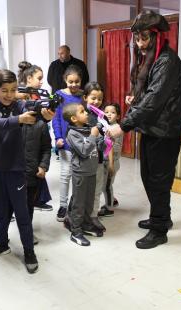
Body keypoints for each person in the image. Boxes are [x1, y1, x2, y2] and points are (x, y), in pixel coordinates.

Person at [119, 10, 181, 249]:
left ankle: (159, 230)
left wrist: (124, 124)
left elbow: (156, 99)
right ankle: (162, 218)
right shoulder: (153, 59)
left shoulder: (167, 60)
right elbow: (148, 94)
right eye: (137, 38)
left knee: (159, 180)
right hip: (151, 128)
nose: (140, 43)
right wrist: (134, 98)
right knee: (149, 176)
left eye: (144, 38)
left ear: (156, 36)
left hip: (165, 132)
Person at [0, 69, 53, 274]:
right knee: (1, 212)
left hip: (16, 170)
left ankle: (29, 251)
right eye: (4, 90)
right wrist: (20, 119)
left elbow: (38, 111)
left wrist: (47, 115)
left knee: (22, 214)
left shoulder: (20, 105)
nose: (9, 95)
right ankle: (2, 243)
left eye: (13, 90)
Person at [18, 63, 52, 243]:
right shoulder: (17, 99)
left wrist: (43, 165)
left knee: (30, 200)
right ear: (28, 78)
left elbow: (46, 145)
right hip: (16, 162)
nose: (41, 82)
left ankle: (28, 232)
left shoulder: (41, 99)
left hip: (34, 155)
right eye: (39, 78)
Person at [63, 103, 105, 246]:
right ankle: (76, 231)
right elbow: (84, 150)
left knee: (88, 202)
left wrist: (102, 139)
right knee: (79, 204)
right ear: (74, 118)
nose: (86, 113)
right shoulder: (73, 133)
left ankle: (86, 225)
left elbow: (97, 147)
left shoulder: (88, 129)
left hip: (92, 171)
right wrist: (93, 137)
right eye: (82, 111)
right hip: (80, 173)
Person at [52, 65, 83, 222]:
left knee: (78, 176)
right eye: (70, 81)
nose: (74, 85)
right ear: (65, 80)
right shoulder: (58, 95)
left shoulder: (83, 96)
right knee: (66, 174)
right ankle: (63, 205)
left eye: (77, 81)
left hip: (81, 143)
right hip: (65, 141)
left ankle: (75, 205)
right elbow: (56, 118)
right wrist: (58, 137)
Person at [82, 81, 107, 232]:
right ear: (85, 97)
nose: (96, 101)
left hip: (98, 159)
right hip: (85, 161)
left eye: (100, 98)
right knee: (83, 191)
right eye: (93, 98)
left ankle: (93, 215)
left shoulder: (102, 116)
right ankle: (75, 215)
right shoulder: (81, 116)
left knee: (97, 189)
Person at [98, 104, 123, 217]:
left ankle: (109, 208)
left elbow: (115, 147)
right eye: (106, 111)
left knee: (106, 186)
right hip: (105, 161)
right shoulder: (105, 125)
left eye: (112, 112)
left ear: (118, 116)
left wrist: (111, 164)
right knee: (107, 183)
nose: (108, 114)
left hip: (111, 162)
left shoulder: (116, 128)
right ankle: (112, 200)